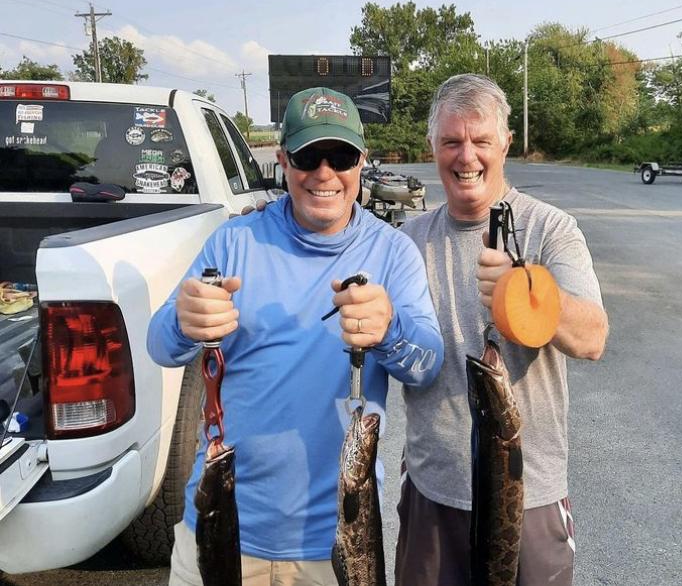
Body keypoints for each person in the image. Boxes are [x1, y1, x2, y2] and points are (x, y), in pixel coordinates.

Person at [147, 87, 443, 586]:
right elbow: (161, 346)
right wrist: (184, 318)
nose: (324, 173)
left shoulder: (393, 253)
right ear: (283, 160)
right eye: (308, 156)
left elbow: (427, 364)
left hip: (337, 542)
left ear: (361, 162)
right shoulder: (234, 241)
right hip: (220, 526)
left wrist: (389, 331)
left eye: (341, 156)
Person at [394, 74, 609, 586]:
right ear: (433, 147)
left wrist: (527, 292)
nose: (466, 156)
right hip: (434, 493)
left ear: (505, 143)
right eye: (451, 141)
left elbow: (593, 338)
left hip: (528, 492)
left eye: (480, 141)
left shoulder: (551, 228)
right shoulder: (408, 242)